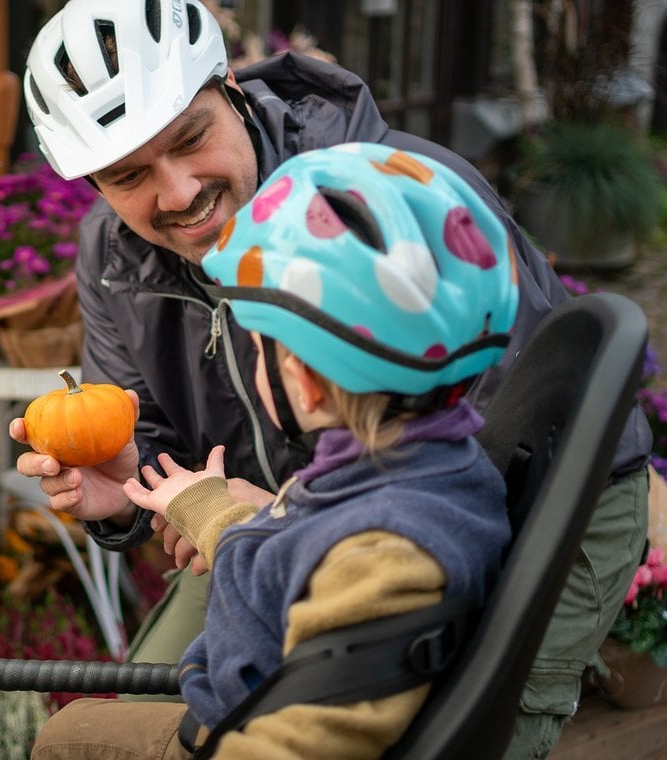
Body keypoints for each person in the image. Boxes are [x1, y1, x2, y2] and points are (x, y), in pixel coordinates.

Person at [11, 2, 651, 756]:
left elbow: (468, 447)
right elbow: (146, 427)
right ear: (94, 188)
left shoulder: (396, 198)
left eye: (192, 139)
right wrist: (129, 489)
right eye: (129, 176)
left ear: (232, 89)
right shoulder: (113, 256)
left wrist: (284, 518)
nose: (179, 193)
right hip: (297, 512)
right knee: (158, 691)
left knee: (458, 733)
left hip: (522, 495)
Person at [32, 142, 519, 759]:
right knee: (69, 731)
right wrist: (209, 512)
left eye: (258, 343)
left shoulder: (391, 553)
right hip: (238, 701)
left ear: (306, 382)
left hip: (232, 733)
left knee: (65, 743)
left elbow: (301, 743)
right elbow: (301, 556)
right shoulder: (400, 469)